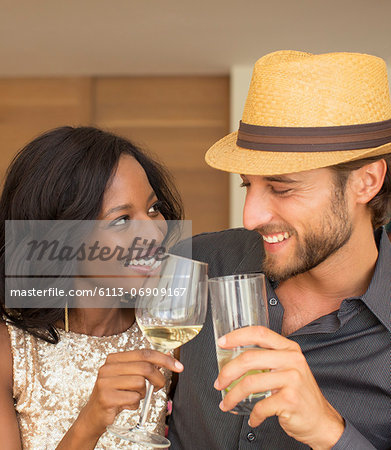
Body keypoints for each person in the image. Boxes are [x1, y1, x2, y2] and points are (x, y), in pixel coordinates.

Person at [168, 51, 391, 449]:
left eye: (282, 187)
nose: (251, 216)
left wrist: (331, 433)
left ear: (366, 182)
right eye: (247, 185)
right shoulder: (194, 264)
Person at [0, 126, 185, 449]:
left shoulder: (168, 333)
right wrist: (91, 422)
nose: (155, 233)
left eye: (153, 208)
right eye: (122, 219)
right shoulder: (10, 349)